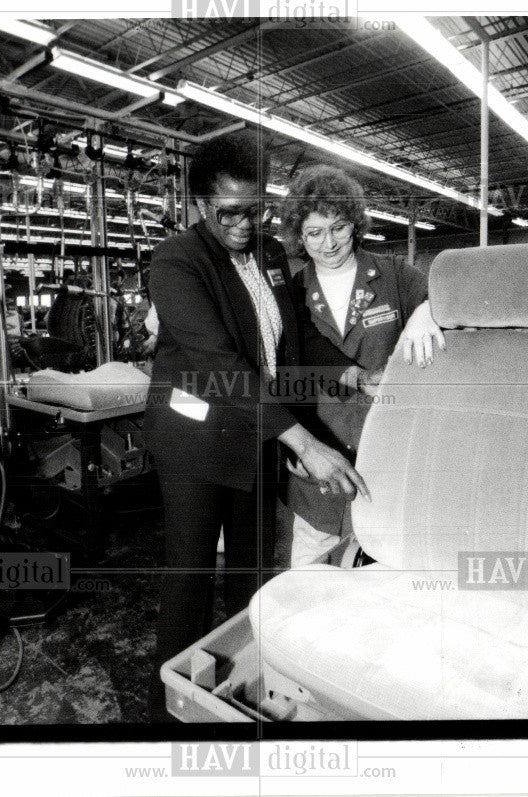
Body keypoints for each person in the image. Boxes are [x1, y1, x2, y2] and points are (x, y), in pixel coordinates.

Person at [144, 131, 372, 722]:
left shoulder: (268, 254)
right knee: (191, 575)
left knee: (251, 571)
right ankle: (169, 711)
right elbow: (223, 365)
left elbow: (291, 342)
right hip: (195, 442)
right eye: (231, 213)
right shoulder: (177, 262)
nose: (246, 223)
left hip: (254, 437)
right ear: (199, 206)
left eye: (257, 209)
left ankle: (235, 688)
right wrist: (304, 442)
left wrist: (354, 374)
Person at [279, 165, 445, 568]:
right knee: (309, 570)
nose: (328, 243)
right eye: (314, 233)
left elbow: (448, 294)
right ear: (300, 237)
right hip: (321, 456)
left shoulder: (391, 275)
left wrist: (426, 309)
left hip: (389, 449)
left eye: (338, 228)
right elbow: (280, 373)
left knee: (388, 570)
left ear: (355, 223)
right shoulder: (291, 292)